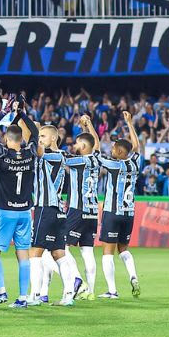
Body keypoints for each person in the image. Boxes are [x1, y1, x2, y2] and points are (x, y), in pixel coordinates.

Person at [0, 93, 37, 309]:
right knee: (23, 254)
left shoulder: (1, 154)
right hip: (25, 212)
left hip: (5, 211)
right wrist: (21, 113)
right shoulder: (30, 153)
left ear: (6, 140)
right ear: (21, 139)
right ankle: (23, 297)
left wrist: (6, 111)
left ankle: (1, 291)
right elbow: (34, 131)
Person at [28, 124, 83, 307]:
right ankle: (68, 294)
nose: (41, 138)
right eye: (40, 136)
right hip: (58, 211)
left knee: (35, 252)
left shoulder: (55, 155)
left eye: (44, 136)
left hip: (46, 208)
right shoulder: (58, 157)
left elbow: (36, 149)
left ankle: (34, 295)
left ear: (53, 138)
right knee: (59, 253)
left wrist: (32, 130)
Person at [93, 110, 142, 299]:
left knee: (107, 253)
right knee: (124, 250)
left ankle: (112, 291)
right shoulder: (135, 163)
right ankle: (133, 276)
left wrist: (91, 130)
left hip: (112, 212)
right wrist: (130, 123)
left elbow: (96, 154)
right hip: (129, 213)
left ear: (120, 152)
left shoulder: (114, 165)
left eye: (114, 148)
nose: (111, 150)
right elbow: (136, 147)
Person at [63, 117, 106, 299]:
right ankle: (91, 291)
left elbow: (60, 159)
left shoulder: (79, 161)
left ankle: (77, 279)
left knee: (60, 247)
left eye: (77, 143)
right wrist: (88, 125)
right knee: (87, 250)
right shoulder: (96, 159)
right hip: (92, 211)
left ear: (83, 146)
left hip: (77, 209)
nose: (74, 146)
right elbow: (96, 143)